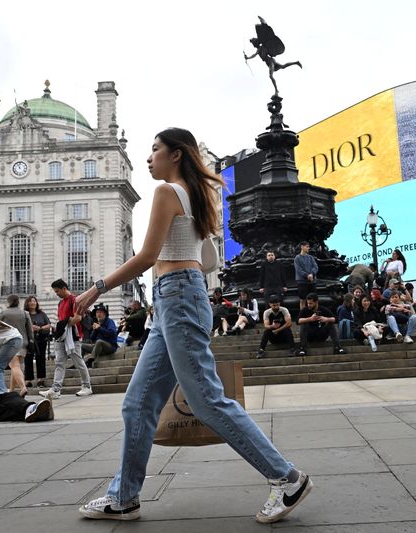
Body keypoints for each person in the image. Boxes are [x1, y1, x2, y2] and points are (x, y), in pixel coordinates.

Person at [73, 127, 312, 523]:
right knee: (137, 402)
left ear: (177, 154)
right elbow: (198, 257)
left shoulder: (168, 192)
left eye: (155, 150)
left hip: (179, 296)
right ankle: (124, 496)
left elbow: (149, 255)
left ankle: (287, 478)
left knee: (205, 399)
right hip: (178, 298)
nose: (149, 158)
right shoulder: (197, 195)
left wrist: (96, 288)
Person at [40, 279, 93, 399]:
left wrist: (64, 324)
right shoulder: (61, 303)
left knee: (78, 361)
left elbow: (78, 318)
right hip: (62, 335)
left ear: (64, 288)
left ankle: (87, 386)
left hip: (73, 336)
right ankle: (56, 389)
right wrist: (62, 325)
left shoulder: (74, 300)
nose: (56, 293)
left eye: (57, 291)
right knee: (59, 362)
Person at [0, 294, 34, 397]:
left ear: (9, 302)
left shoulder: (4, 313)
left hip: (10, 342)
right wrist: (30, 341)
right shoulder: (25, 313)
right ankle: (12, 391)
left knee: (14, 366)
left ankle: (23, 387)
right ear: (18, 302)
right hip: (23, 343)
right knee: (17, 366)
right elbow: (30, 330)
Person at [297, 292, 346, 357]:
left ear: (316, 302)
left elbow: (336, 319)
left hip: (321, 333)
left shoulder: (323, 309)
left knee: (331, 323)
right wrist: (310, 319)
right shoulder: (305, 310)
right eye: (308, 303)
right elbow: (298, 321)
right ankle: (302, 348)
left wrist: (326, 319)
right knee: (303, 324)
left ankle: (337, 347)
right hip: (310, 335)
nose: (309, 305)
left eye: (311, 303)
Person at [25, 295, 51, 388]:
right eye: (31, 301)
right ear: (27, 303)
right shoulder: (25, 314)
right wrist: (31, 328)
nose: (33, 303)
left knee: (41, 359)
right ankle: (28, 380)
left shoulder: (42, 314)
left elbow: (48, 325)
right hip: (29, 340)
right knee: (28, 359)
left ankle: (41, 379)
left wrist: (39, 328)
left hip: (41, 339)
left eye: (34, 301)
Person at [83, 303, 119, 367]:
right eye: (97, 312)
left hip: (110, 346)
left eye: (100, 312)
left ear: (104, 314)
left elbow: (112, 333)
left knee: (99, 341)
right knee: (82, 346)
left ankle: (91, 360)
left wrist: (99, 328)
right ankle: (79, 363)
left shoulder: (109, 321)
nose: (98, 314)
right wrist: (95, 329)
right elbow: (92, 338)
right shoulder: (97, 323)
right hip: (98, 347)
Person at [294, 241, 318, 309]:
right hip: (302, 282)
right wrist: (307, 275)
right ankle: (303, 315)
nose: (308, 248)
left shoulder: (310, 257)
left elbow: (315, 267)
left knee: (315, 299)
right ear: (302, 247)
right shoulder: (297, 258)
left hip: (312, 281)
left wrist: (312, 274)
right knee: (303, 300)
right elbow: (298, 270)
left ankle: (316, 314)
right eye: (307, 247)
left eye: (308, 247)